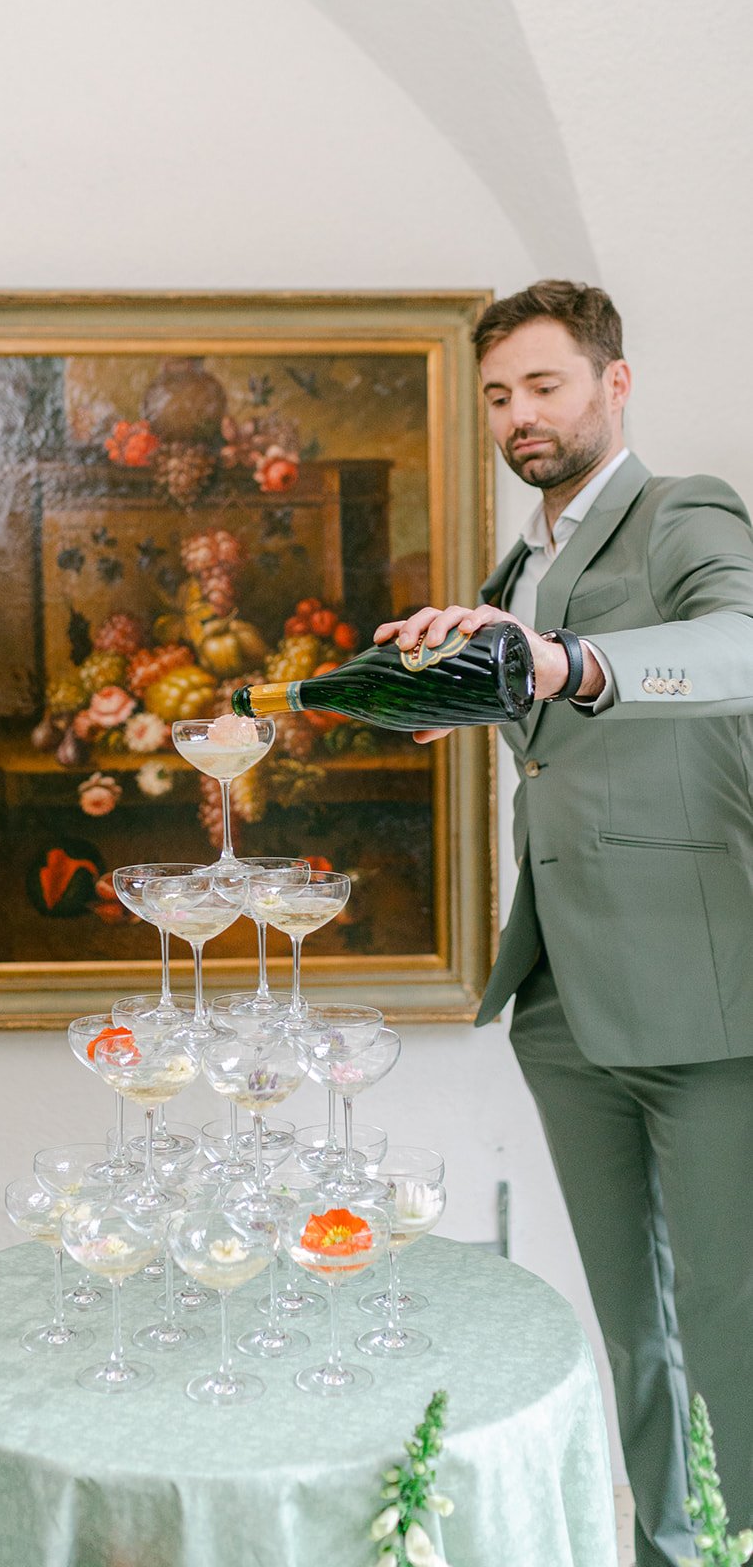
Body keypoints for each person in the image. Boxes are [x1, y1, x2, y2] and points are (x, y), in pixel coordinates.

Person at [374, 280, 753, 1567]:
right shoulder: (521, 563)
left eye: (542, 385)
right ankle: (663, 1548)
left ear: (612, 382)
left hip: (702, 988)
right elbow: (528, 709)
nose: (516, 415)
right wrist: (428, 696)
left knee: (727, 1317)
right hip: (562, 999)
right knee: (629, 1324)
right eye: (495, 395)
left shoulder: (678, 509)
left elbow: (739, 647)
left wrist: (568, 663)